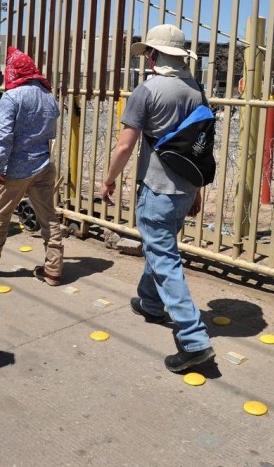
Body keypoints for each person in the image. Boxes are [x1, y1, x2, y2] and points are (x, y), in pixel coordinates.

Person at [99, 24, 215, 373]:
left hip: (157, 188)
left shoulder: (146, 91)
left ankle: (194, 341)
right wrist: (199, 191)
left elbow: (125, 145)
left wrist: (108, 180)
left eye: (148, 52)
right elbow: (203, 145)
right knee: (160, 246)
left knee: (164, 259)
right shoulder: (196, 90)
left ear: (153, 55)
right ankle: (150, 302)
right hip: (186, 189)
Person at [0, 47, 64, 285]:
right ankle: (53, 269)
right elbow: (51, 131)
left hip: (15, 169)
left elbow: (3, 136)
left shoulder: (12, 97)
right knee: (48, 217)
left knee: (0, 215)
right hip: (42, 164)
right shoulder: (47, 95)